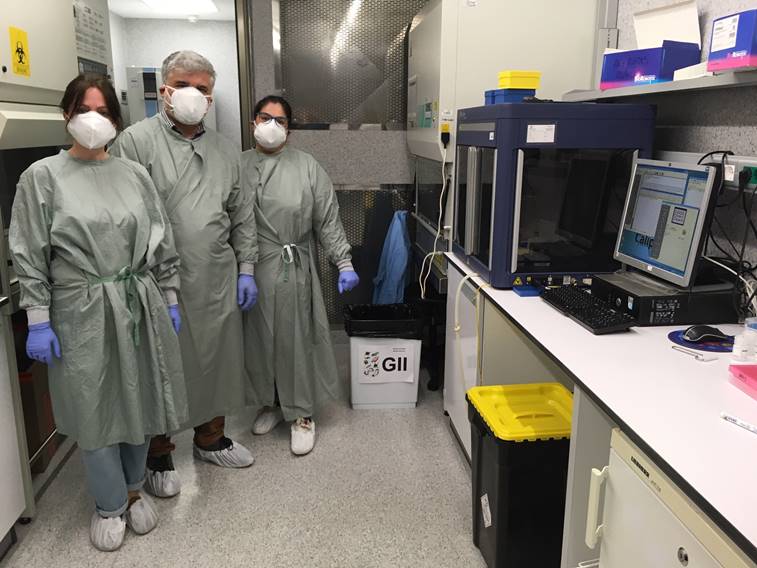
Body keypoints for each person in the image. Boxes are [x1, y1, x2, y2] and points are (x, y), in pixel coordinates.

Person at [9, 74, 187, 551]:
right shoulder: (41, 177)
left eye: (104, 111)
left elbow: (160, 238)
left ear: (115, 119)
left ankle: (132, 489)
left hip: (135, 299)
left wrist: (168, 297)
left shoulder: (134, 174)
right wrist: (39, 319)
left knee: (138, 398)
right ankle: (108, 502)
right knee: (94, 407)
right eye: (84, 109)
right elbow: (29, 253)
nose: (94, 119)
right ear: (66, 114)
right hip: (79, 308)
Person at [243, 95, 359, 456]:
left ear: (289, 130)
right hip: (253, 267)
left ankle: (302, 414)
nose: (272, 126)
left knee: (295, 339)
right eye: (266, 117)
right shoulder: (238, 167)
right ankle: (271, 403)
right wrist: (241, 271)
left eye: (281, 120)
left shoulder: (307, 167)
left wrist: (344, 262)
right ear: (253, 122)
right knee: (260, 340)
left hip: (293, 265)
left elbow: (327, 218)